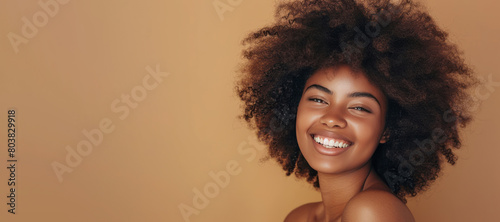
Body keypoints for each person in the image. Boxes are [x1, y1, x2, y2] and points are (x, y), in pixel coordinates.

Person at [235, 0, 477, 221]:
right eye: (318, 99)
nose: (332, 118)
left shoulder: (373, 211)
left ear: (387, 129)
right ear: (294, 105)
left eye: (359, 107)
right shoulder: (300, 217)